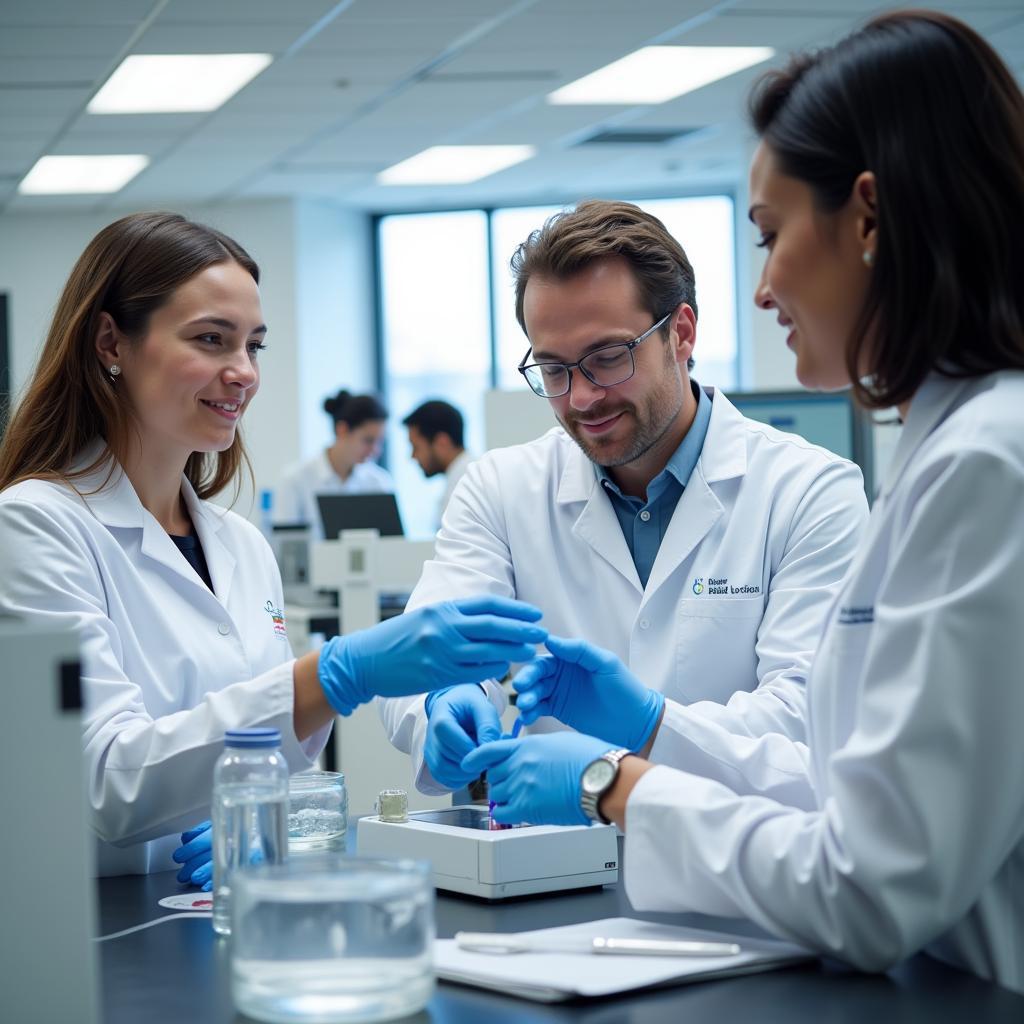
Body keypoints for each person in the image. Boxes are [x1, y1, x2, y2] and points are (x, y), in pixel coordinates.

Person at [464, 10, 1024, 992]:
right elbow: (849, 780)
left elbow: (868, 884)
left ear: (866, 216)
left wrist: (615, 784)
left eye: (769, 236)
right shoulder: (956, 444)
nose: (762, 290)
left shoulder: (987, 462)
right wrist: (652, 727)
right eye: (553, 368)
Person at [0, 212, 548, 879]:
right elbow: (106, 782)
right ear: (111, 342)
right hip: (107, 929)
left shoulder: (240, 546)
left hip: (237, 913)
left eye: (253, 346)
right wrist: (333, 673)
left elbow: (275, 758)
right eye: (211, 340)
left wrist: (278, 818)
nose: (243, 373)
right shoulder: (33, 525)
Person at [379, 198, 869, 796]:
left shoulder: (810, 492)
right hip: (551, 863)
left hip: (735, 863)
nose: (581, 398)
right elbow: (422, 652)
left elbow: (805, 722)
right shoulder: (502, 490)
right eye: (554, 369)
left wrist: (645, 729)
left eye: (607, 358)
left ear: (681, 333)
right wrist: (440, 700)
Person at [274, 389, 394, 538]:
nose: (375, 450)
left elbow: (391, 545)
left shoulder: (379, 483)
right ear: (342, 430)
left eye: (380, 442)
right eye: (368, 440)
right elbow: (285, 546)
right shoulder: (296, 480)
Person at [402, 399, 473, 528]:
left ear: (442, 442)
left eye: (416, 447)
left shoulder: (467, 483)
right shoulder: (462, 476)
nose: (412, 456)